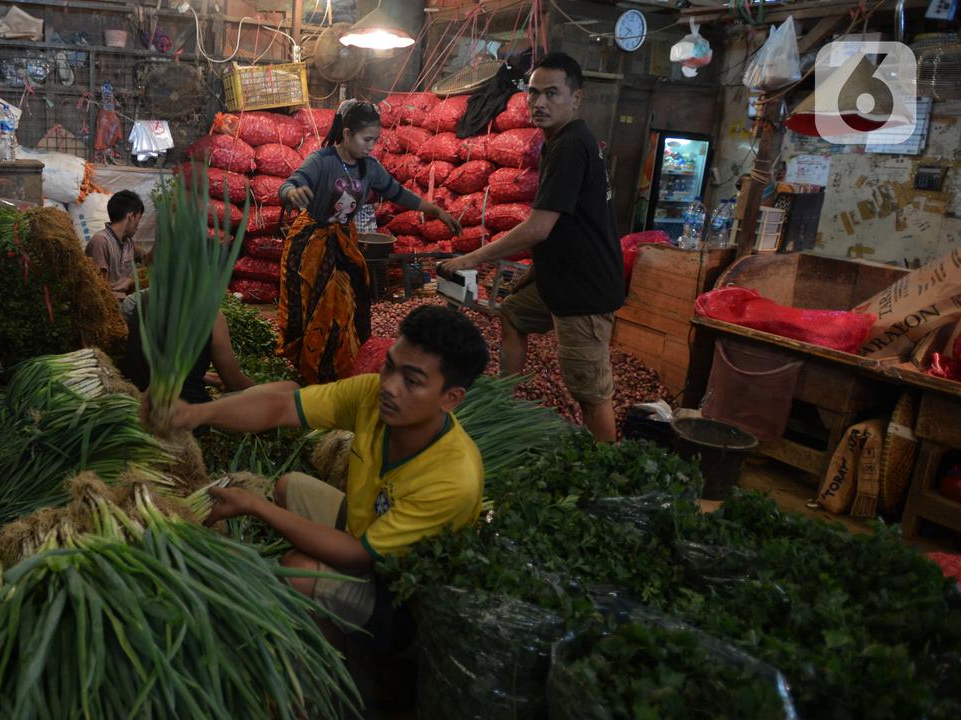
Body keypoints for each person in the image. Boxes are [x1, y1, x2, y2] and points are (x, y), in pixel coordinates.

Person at [163, 305, 489, 651]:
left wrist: (255, 507)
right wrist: (195, 413)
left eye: (411, 381)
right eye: (389, 366)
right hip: (367, 535)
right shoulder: (370, 397)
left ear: (451, 399)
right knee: (291, 486)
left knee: (299, 572)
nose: (389, 387)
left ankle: (351, 671)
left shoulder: (452, 480)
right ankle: (329, 612)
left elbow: (357, 556)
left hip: (405, 600)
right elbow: (281, 407)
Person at [440, 52, 624, 443]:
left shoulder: (571, 146)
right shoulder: (559, 142)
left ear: (576, 98)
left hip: (584, 290)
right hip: (560, 276)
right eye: (534, 93)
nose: (539, 103)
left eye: (552, 94)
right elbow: (565, 224)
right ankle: (504, 403)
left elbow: (539, 228)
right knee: (514, 313)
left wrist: (471, 258)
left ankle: (608, 474)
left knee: (591, 395)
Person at [278, 99, 463, 384]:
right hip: (311, 243)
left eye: (375, 140)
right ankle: (309, 367)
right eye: (366, 139)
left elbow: (398, 193)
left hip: (343, 240)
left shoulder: (370, 168)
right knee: (312, 303)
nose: (370, 146)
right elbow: (291, 182)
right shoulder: (322, 161)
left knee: (350, 299)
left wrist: (436, 210)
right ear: (348, 133)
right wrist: (292, 193)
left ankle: (338, 363)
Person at [118, 291, 256, 406]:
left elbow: (155, 360)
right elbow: (234, 383)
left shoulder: (142, 300)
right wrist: (261, 390)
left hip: (136, 407)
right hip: (185, 415)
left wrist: (203, 376)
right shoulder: (209, 312)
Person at [85, 190, 145, 299]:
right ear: (131, 217)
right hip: (114, 304)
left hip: (126, 299)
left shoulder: (128, 243)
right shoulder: (101, 241)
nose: (138, 225)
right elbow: (101, 289)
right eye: (138, 219)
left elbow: (149, 259)